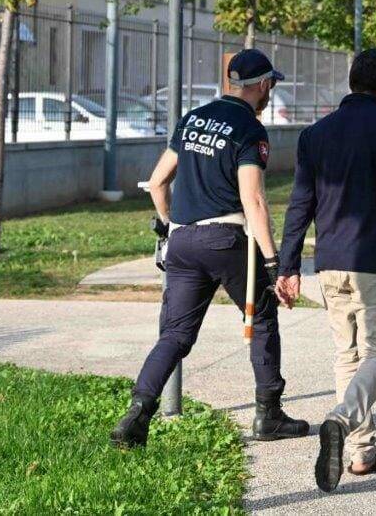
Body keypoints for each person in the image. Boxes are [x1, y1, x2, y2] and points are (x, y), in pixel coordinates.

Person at [110, 49, 309, 448]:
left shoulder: (192, 118)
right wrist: (273, 265)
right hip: (226, 238)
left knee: (176, 335)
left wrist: (169, 228)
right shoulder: (250, 130)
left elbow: (158, 181)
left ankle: (138, 411)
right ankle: (268, 415)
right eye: (272, 85)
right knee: (263, 316)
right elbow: (253, 200)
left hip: (183, 241)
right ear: (264, 85)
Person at [276, 48, 376, 492]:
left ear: (352, 81)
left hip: (330, 263)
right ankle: (341, 421)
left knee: (347, 354)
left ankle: (361, 454)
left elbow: (300, 203)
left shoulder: (315, 134)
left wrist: (287, 266)